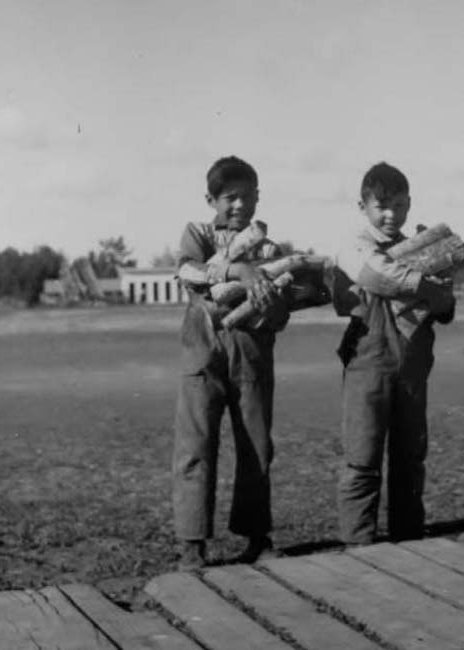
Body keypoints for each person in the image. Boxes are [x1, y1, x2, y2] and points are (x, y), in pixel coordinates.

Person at [173, 156, 289, 569]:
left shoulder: (271, 247)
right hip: (202, 351)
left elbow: (283, 306)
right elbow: (189, 271)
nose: (239, 206)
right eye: (229, 197)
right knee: (195, 446)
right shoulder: (198, 233)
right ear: (211, 199)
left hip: (252, 353)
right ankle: (191, 543)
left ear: (259, 197)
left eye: (247, 197)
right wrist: (240, 268)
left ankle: (257, 536)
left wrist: (274, 301)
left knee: (257, 446)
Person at [331, 161, 456, 545]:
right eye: (381, 205)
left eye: (399, 205)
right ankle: (359, 543)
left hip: (414, 361)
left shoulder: (424, 248)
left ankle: (408, 536)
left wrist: (440, 292)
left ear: (409, 204)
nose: (390, 214)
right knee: (362, 457)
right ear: (362, 206)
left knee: (410, 455)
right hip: (369, 360)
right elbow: (376, 276)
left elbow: (445, 309)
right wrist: (427, 286)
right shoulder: (356, 247)